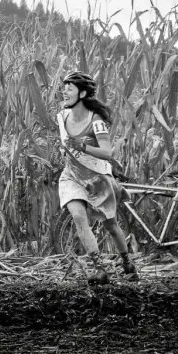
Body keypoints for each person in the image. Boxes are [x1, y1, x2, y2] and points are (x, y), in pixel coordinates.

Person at [56, 70, 136, 284]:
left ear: (82, 94)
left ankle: (127, 261)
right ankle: (99, 268)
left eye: (69, 87)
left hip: (97, 179)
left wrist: (82, 146)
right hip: (71, 176)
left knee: (111, 225)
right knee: (78, 217)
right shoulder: (62, 117)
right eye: (63, 87)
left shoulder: (96, 121)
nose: (64, 91)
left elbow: (107, 152)